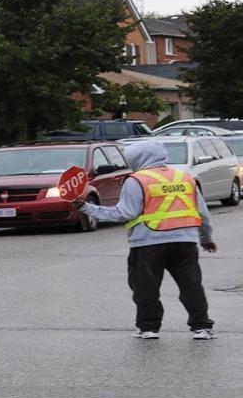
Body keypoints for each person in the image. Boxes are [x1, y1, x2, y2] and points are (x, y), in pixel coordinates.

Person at [72, 140, 218, 340]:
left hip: (148, 243)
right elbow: (202, 212)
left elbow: (124, 213)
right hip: (185, 242)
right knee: (191, 285)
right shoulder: (184, 177)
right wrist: (206, 238)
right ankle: (201, 327)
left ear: (138, 158)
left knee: (145, 287)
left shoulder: (137, 180)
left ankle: (148, 327)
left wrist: (87, 208)